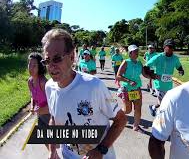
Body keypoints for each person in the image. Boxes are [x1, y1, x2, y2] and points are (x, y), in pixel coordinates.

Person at [42, 29, 127, 159]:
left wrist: (100, 149)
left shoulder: (94, 86)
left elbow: (121, 120)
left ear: (72, 57)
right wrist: (52, 150)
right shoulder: (49, 87)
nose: (51, 66)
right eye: (47, 61)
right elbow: (53, 119)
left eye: (57, 59)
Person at [116, 45, 152, 133]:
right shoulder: (126, 62)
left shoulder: (139, 63)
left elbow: (144, 74)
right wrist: (129, 81)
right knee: (128, 110)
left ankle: (136, 126)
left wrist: (153, 77)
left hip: (136, 89)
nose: (136, 53)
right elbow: (118, 76)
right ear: (130, 53)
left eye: (137, 51)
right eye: (134, 51)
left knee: (138, 108)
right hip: (127, 89)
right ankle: (116, 115)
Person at [145, 39, 184, 117]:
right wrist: (153, 75)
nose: (170, 49)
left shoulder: (175, 58)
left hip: (169, 85)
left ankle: (152, 107)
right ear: (164, 47)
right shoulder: (158, 57)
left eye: (172, 47)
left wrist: (181, 70)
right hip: (159, 84)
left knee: (163, 102)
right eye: (168, 46)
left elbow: (179, 66)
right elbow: (146, 66)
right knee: (164, 104)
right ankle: (161, 119)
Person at [27, 52, 50, 150]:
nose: (31, 68)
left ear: (40, 67)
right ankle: (53, 155)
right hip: (40, 116)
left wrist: (38, 111)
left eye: (34, 65)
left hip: (51, 117)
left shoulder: (44, 83)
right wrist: (32, 106)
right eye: (29, 64)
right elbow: (32, 96)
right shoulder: (30, 81)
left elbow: (54, 106)